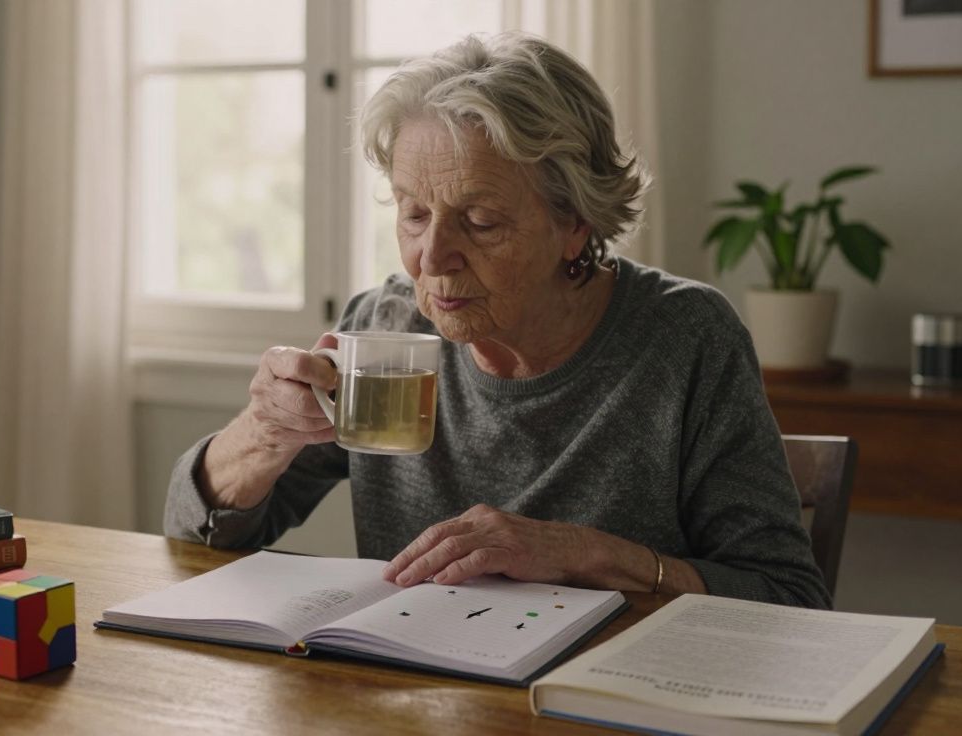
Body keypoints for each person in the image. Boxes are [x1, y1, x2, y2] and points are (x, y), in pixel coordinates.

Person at [164, 32, 830, 609]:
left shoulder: (686, 339)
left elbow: (789, 599)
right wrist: (258, 436)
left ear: (574, 224)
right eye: (413, 214)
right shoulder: (389, 330)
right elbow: (191, 538)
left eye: (480, 222)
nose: (432, 258)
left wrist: (585, 556)